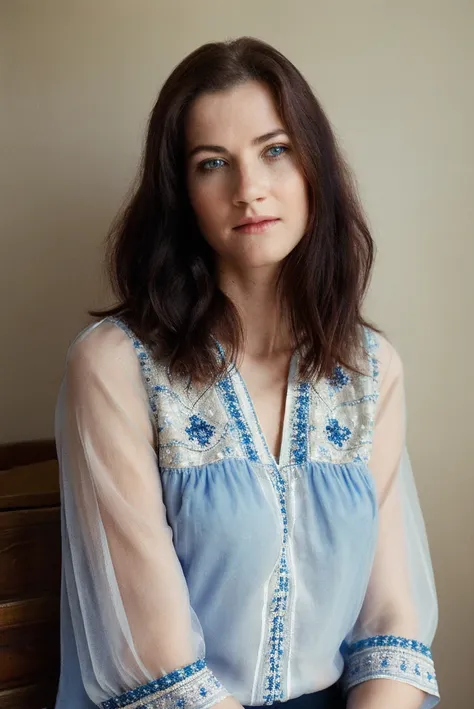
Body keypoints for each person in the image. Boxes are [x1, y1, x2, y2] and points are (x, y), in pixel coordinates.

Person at [54, 37, 440, 709]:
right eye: (213, 164)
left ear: (313, 166)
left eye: (275, 150)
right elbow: (156, 658)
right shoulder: (115, 367)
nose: (249, 189)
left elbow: (392, 625)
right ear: (183, 194)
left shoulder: (369, 369)